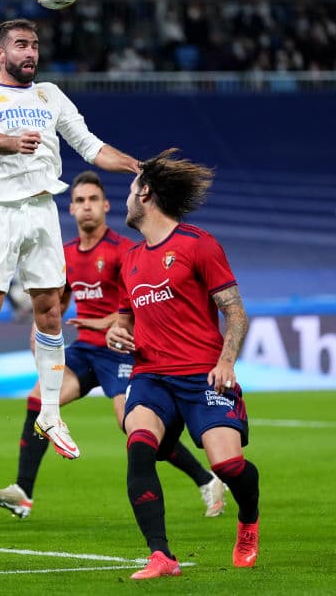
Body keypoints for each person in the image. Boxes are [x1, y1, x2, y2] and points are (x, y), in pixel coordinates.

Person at [0, 172, 226, 519]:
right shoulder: (64, 253)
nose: (86, 207)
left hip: (122, 350)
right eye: (80, 201)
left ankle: (206, 480)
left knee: (132, 424)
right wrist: (41, 330)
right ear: (71, 209)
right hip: (86, 350)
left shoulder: (124, 251)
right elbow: (59, 302)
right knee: (40, 399)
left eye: (93, 200)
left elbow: (141, 303)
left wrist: (108, 324)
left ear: (106, 206)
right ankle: (23, 493)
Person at [0, 18, 140, 462]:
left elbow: (91, 146)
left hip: (43, 208)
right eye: (20, 45)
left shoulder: (50, 95)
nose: (30, 52)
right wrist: (12, 141)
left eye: (34, 45)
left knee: (51, 312)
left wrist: (136, 167)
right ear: (0, 53)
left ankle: (51, 413)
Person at [105, 150, 260, 579]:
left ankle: (249, 516)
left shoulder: (198, 244)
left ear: (147, 194)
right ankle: (161, 555)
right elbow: (124, 318)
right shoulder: (130, 260)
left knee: (228, 467)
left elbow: (235, 311)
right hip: (151, 376)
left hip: (202, 375)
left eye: (131, 191)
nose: (127, 200)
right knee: (138, 446)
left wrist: (227, 362)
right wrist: (116, 331)